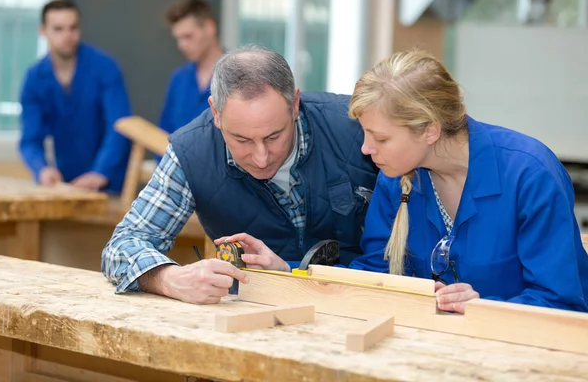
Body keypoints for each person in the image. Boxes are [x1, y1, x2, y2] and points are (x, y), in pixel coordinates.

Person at [101, 45, 379, 304]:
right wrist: (167, 278)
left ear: (294, 104)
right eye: (242, 140)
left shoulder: (357, 128)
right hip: (255, 311)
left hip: (363, 302)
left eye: (274, 136)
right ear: (216, 113)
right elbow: (120, 248)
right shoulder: (192, 153)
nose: (261, 157)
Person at [344, 50, 588, 313]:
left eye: (380, 138)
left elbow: (560, 302)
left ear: (430, 130)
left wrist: (484, 310)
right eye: (365, 134)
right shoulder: (395, 176)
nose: (366, 149)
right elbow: (374, 275)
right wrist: (299, 271)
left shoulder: (530, 175)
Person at [19, 0, 132, 193]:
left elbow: (120, 126)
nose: (67, 36)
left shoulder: (105, 67)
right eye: (58, 29)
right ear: (43, 31)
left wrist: (100, 172)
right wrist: (42, 169)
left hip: (111, 181)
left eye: (73, 28)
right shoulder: (35, 78)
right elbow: (30, 139)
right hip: (67, 182)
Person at [158, 0, 224, 135]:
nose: (181, 45)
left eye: (188, 36)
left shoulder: (239, 75)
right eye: (178, 38)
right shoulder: (178, 79)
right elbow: (164, 134)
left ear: (209, 27)